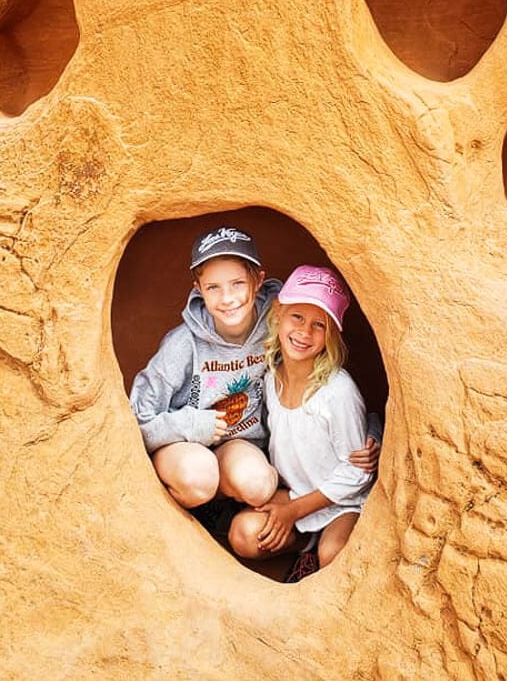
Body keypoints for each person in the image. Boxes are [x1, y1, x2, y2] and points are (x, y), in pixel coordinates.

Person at [130, 227, 379, 515]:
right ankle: (188, 517)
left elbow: (331, 384)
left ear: (258, 281)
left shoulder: (277, 320)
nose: (227, 298)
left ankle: (219, 512)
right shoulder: (182, 344)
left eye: (237, 283)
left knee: (258, 484)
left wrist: (372, 431)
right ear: (198, 289)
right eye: (213, 287)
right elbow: (137, 419)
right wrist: (189, 424)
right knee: (198, 475)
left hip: (237, 443)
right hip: (182, 444)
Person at [228, 265, 372, 577]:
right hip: (295, 492)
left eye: (319, 325)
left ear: (332, 333)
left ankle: (319, 548)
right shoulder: (270, 377)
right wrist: (288, 509)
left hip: (339, 502)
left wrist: (293, 511)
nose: (305, 332)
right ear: (279, 312)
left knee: (333, 555)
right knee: (243, 533)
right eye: (297, 317)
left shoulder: (337, 390)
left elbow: (357, 472)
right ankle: (302, 546)